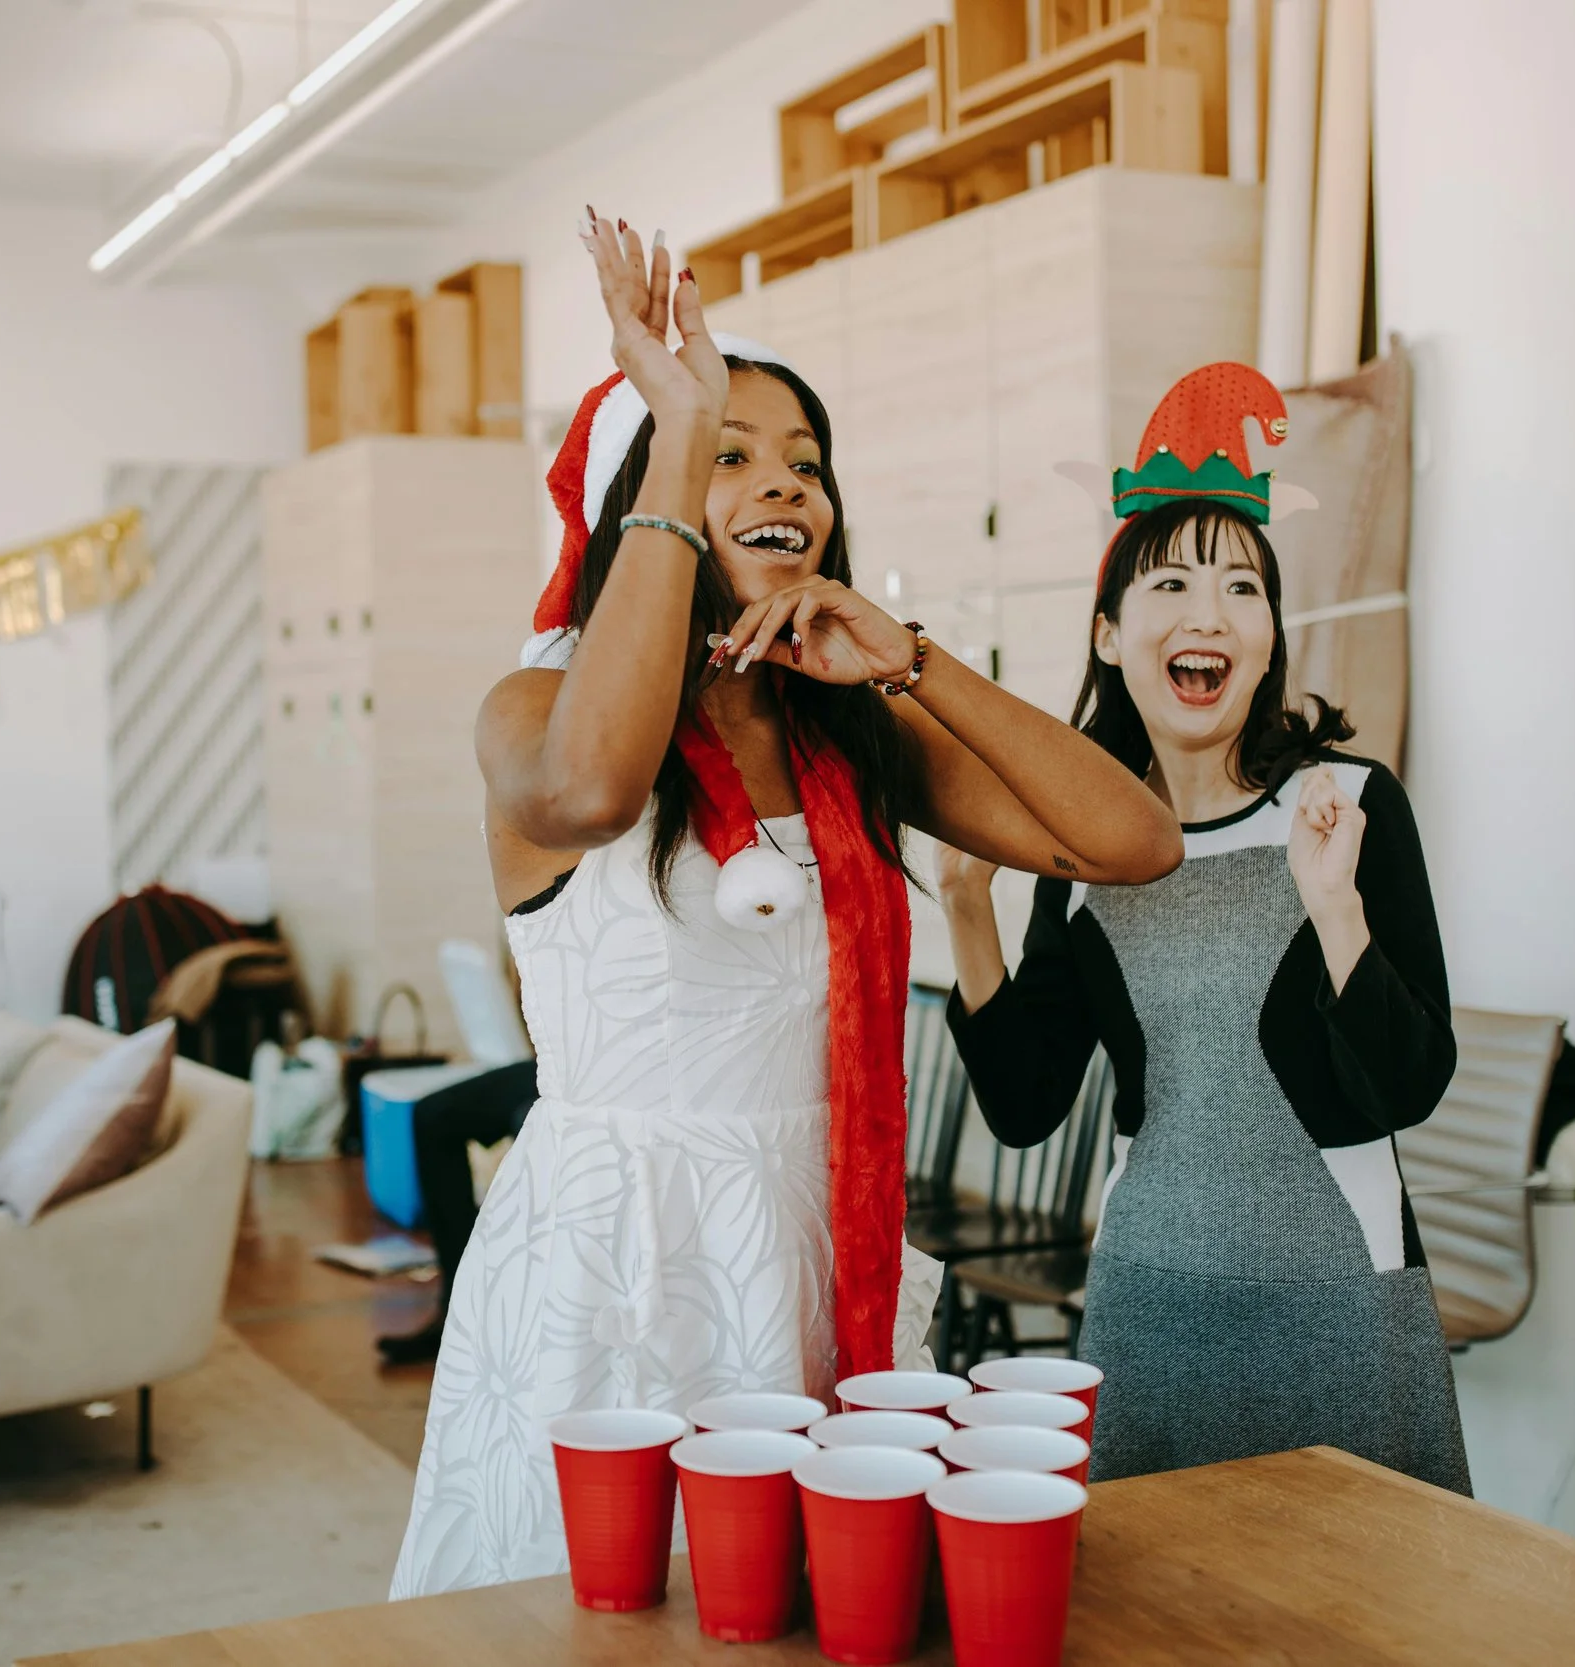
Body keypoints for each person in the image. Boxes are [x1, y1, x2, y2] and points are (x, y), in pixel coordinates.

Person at [390, 212, 1181, 1596]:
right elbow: (589, 791)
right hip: (617, 1267)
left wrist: (911, 659)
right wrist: (677, 413)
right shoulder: (531, 709)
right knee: (606, 1610)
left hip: (817, 1248)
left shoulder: (852, 738)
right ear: (651, 487)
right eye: (728, 452)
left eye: (805, 464)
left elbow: (1132, 839)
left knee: (811, 1611)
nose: (783, 485)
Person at [937, 363, 1469, 1494]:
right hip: (1148, 1303)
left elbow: (1408, 1083)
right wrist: (965, 908)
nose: (1206, 615)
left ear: (1270, 637)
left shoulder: (1351, 806)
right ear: (1110, 631)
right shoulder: (1079, 850)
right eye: (1170, 584)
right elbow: (1027, 1107)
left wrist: (1333, 908)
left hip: (1343, 1297)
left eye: (1240, 590)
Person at [373, 1059, 537, 1366]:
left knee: (529, 1122)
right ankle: (460, 1310)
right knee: (435, 1115)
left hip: (630, 1067)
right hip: (565, 1059)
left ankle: (530, 1326)